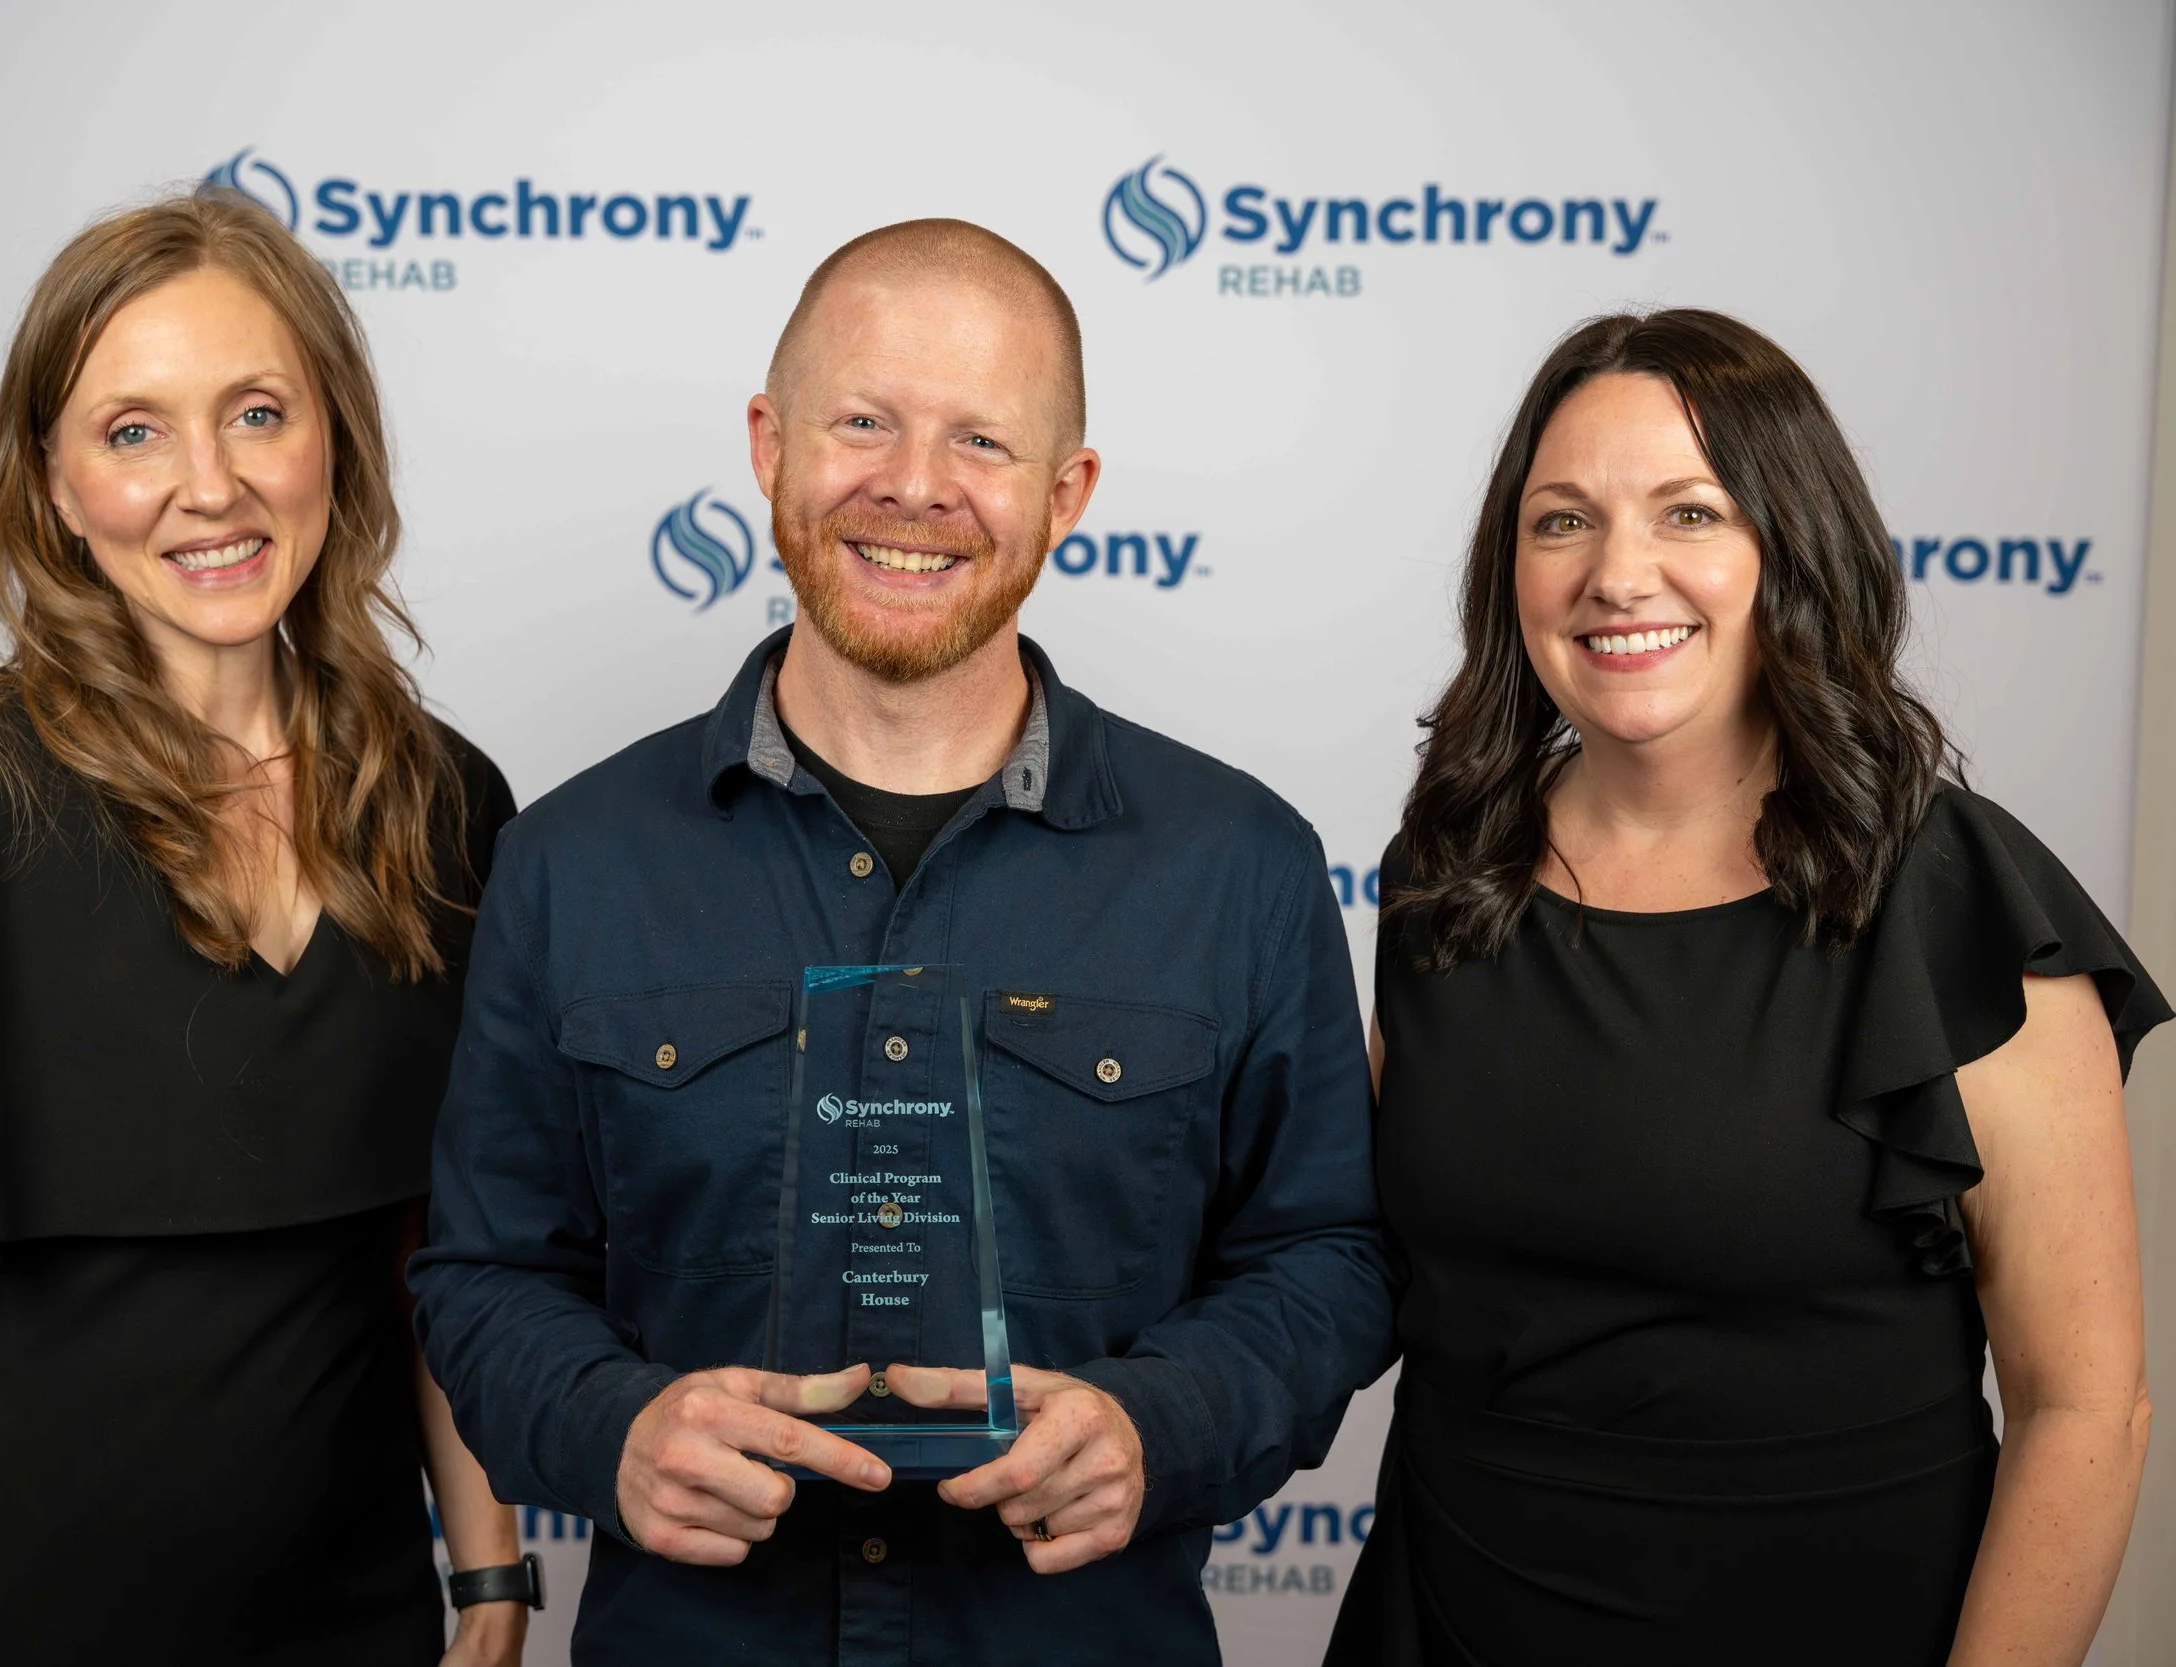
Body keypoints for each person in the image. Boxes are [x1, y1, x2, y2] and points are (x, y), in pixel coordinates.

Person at [410, 218, 1398, 1665]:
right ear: (769, 445)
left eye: (982, 440)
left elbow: (1325, 1259)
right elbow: (484, 1274)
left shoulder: (1239, 866)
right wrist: (609, 1427)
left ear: (1068, 494)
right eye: (862, 421)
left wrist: (1164, 1423)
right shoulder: (571, 862)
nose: (915, 485)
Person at [0, 190, 533, 1667]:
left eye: (257, 413)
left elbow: (443, 1255)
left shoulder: (446, 804)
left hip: (358, 1628)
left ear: (335, 439)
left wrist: (490, 1577)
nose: (209, 487)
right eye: (134, 432)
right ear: (53, 483)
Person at [1328, 309, 2166, 1666]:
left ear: (1792, 546)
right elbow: (1364, 1264)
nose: (1619, 574)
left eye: (1690, 512)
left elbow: (2086, 1409)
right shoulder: (1446, 873)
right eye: (1562, 522)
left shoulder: (1952, 899)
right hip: (1447, 1619)